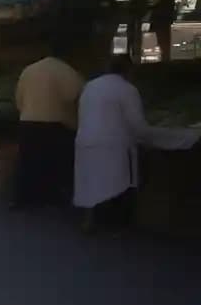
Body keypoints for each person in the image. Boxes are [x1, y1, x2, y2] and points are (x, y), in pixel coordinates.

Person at [73, 55, 199, 233]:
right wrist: (171, 136)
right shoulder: (127, 90)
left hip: (86, 142)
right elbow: (138, 126)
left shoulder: (90, 86)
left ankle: (90, 220)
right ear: (129, 71)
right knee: (118, 184)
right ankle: (116, 224)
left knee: (91, 183)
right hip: (114, 146)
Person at [12, 43, 83, 209]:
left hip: (28, 120)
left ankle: (23, 199)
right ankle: (51, 197)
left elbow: (18, 98)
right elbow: (74, 96)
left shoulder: (29, 70)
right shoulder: (67, 71)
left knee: (27, 162)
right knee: (53, 162)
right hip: (54, 122)